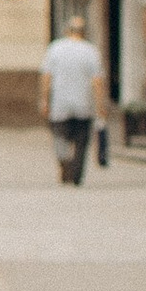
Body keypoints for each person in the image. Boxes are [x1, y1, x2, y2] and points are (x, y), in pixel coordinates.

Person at [39, 18, 104, 184]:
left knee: (60, 137)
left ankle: (65, 163)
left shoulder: (55, 48)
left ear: (67, 31)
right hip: (84, 104)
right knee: (81, 142)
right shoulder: (90, 51)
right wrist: (100, 105)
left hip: (60, 104)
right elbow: (97, 82)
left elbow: (47, 77)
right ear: (83, 32)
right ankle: (76, 175)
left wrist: (44, 100)